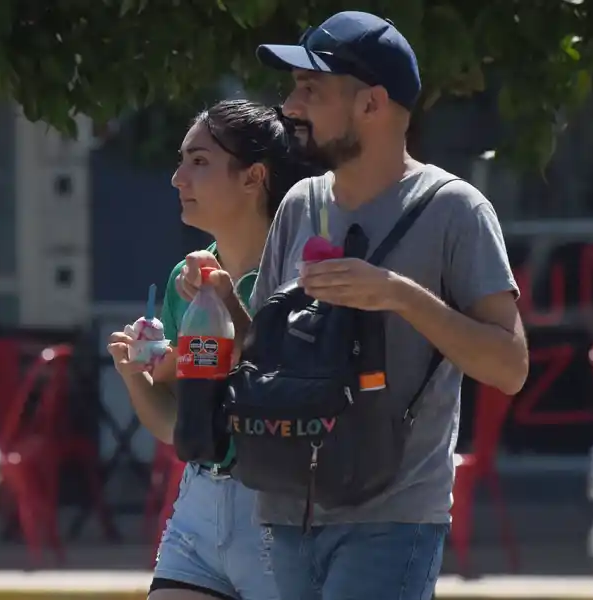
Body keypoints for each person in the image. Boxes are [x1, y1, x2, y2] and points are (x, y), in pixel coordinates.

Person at [176, 12, 529, 600]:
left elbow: (510, 366)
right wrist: (223, 300)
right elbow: (264, 355)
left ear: (371, 103)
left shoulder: (455, 210)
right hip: (287, 510)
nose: (290, 106)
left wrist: (397, 294)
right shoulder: (299, 202)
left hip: (391, 517)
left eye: (310, 90)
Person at [107, 99, 321, 600]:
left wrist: (227, 305)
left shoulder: (300, 277)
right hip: (199, 510)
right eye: (181, 161)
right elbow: (177, 426)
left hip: (279, 514)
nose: (177, 178)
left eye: (199, 161)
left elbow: (289, 385)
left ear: (253, 177)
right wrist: (134, 374)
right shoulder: (187, 280)